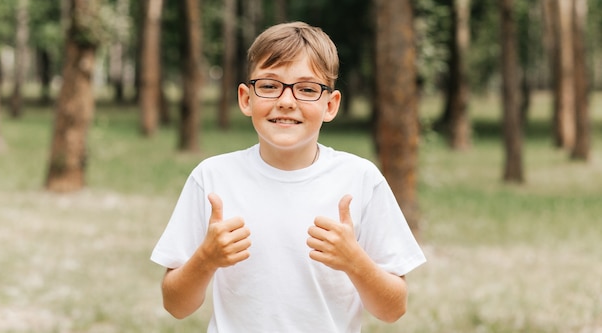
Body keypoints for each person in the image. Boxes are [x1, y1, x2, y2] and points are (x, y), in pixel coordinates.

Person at [151, 21, 426, 332]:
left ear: (331, 105)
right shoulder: (212, 178)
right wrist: (206, 259)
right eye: (269, 86)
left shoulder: (361, 179)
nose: (286, 101)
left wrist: (355, 261)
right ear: (246, 98)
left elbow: (393, 309)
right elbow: (175, 305)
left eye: (307, 89)